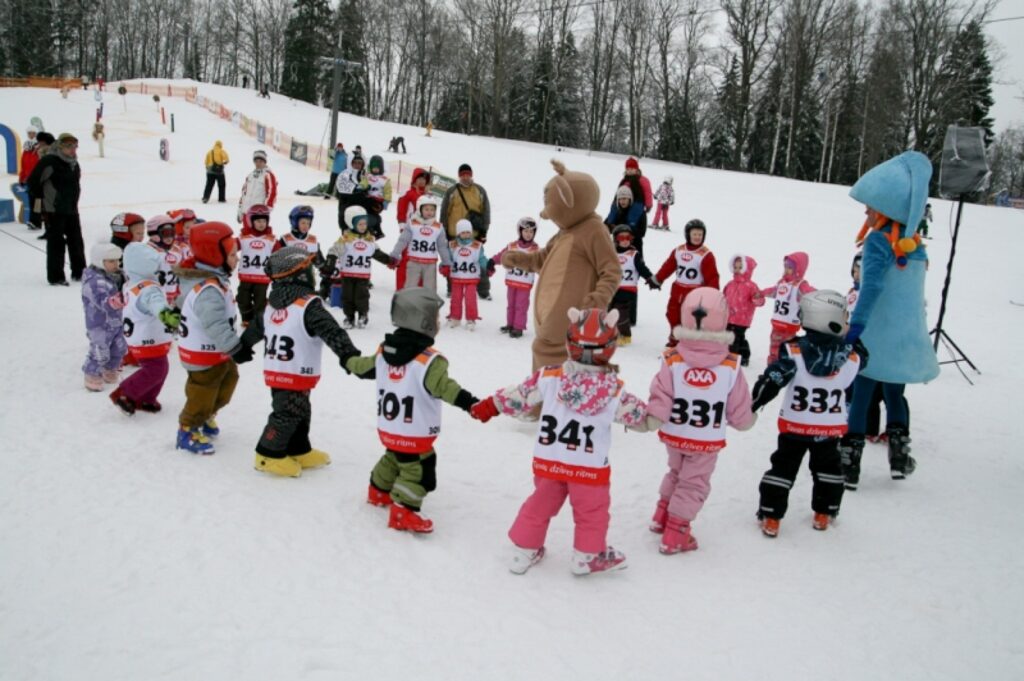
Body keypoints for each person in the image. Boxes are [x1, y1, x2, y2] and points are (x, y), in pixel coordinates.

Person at [469, 307, 657, 575]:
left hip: (550, 461)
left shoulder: (550, 376)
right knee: (592, 512)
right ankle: (587, 556)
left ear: (570, 343)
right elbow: (639, 417)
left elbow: (520, 395)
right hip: (589, 467)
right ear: (611, 347)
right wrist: (657, 418)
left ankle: (524, 550)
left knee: (540, 504)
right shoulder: (614, 390)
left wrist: (492, 405)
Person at [344, 288, 485, 533]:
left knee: (394, 456)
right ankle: (404, 510)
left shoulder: (383, 352)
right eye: (436, 318)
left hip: (389, 429)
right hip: (415, 433)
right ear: (423, 321)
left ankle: (378, 491)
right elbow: (445, 388)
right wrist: (471, 403)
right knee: (420, 469)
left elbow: (363, 368)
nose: (438, 322)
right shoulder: (429, 360)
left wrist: (347, 360)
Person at [839, 151, 939, 488]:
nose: (866, 212)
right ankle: (899, 456)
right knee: (896, 394)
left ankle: (849, 461)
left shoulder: (878, 242)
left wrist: (856, 328)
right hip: (904, 338)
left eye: (870, 206)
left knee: (863, 392)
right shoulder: (915, 247)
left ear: (885, 207)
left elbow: (871, 289)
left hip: (875, 336)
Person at [646, 288, 756, 552]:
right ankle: (676, 532)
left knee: (676, 472)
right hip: (705, 439)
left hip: (675, 434)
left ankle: (662, 514)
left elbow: (660, 392)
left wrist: (655, 416)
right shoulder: (730, 365)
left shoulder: (673, 358)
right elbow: (739, 404)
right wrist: (745, 420)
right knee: (693, 482)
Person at [750, 290, 866, 537]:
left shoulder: (793, 352)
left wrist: (753, 402)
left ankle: (772, 514)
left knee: (783, 467)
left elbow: (773, 379)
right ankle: (825, 512)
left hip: (796, 426)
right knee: (828, 470)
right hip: (828, 430)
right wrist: (853, 338)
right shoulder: (851, 357)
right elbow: (863, 356)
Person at [241, 247, 362, 477]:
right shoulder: (308, 305)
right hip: (293, 369)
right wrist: (347, 354)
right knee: (287, 414)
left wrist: (243, 346)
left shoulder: (272, 304)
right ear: (300, 275)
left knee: (300, 410)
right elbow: (331, 331)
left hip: (280, 369)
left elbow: (256, 328)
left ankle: (298, 448)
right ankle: (267, 454)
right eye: (309, 270)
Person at [500, 159, 621, 371]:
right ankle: (541, 402)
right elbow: (542, 260)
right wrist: (519, 259)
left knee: (561, 379)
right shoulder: (566, 231)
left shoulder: (594, 230)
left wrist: (597, 301)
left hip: (573, 328)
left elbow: (611, 271)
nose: (546, 215)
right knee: (542, 377)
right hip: (548, 332)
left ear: (569, 203)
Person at [173, 222, 254, 454]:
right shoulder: (208, 289)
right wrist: (234, 347)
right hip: (202, 353)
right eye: (231, 254)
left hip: (215, 351)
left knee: (229, 379)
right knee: (203, 392)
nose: (236, 259)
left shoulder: (213, 280)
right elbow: (213, 323)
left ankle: (206, 414)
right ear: (214, 256)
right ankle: (187, 429)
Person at [109, 242, 179, 414]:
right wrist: (172, 319)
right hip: (148, 337)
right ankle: (125, 393)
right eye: (155, 267)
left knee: (160, 369)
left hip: (137, 336)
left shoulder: (131, 284)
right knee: (156, 370)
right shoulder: (149, 290)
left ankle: (146, 398)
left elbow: (124, 300)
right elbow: (158, 307)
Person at [27, 132, 85, 285]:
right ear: (59, 147)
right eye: (69, 147)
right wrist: (43, 203)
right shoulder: (49, 161)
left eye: (75, 146)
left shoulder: (73, 163)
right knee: (56, 243)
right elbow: (33, 182)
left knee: (76, 242)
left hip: (71, 208)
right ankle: (56, 276)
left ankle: (80, 273)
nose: (73, 150)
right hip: (53, 210)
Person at [652, 219, 720, 346]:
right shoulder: (679, 250)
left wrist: (712, 295)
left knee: (690, 319)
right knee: (672, 314)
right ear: (688, 234)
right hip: (677, 290)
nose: (697, 237)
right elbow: (669, 266)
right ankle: (674, 341)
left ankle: (688, 345)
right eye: (694, 234)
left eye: (700, 235)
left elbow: (712, 277)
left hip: (695, 292)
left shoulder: (706, 255)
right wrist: (658, 279)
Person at [321, 206, 392, 328]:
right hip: (347, 274)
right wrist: (330, 262)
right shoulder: (346, 240)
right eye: (360, 224)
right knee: (347, 297)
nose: (363, 226)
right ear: (351, 224)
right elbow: (334, 250)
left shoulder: (369, 240)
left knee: (362, 296)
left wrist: (389, 261)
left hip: (363, 275)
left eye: (365, 224)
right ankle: (349, 317)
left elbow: (377, 253)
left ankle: (363, 315)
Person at [80, 243, 127, 392]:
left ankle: (110, 369)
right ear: (100, 261)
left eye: (117, 260)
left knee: (119, 347)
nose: (116, 264)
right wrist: (115, 301)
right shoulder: (94, 282)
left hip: (117, 321)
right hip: (99, 323)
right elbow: (101, 300)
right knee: (100, 350)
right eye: (111, 261)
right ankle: (92, 374)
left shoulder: (119, 275)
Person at [441, 163, 492, 299]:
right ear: (459, 176)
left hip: (473, 235)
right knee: (453, 262)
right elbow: (444, 211)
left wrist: (484, 232)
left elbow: (486, 211)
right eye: (462, 175)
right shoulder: (452, 191)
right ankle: (451, 289)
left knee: (479, 262)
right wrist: (444, 230)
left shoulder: (479, 190)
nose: (465, 177)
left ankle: (483, 291)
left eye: (467, 175)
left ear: (471, 175)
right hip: (453, 234)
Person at [488, 217, 540, 339]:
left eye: (531, 232)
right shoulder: (512, 246)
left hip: (525, 283)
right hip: (512, 281)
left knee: (521, 305)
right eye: (526, 231)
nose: (528, 234)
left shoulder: (535, 249)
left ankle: (518, 327)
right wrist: (492, 261)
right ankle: (510, 324)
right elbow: (502, 255)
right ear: (520, 231)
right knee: (511, 304)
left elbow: (540, 263)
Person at [389, 194, 452, 291]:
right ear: (420, 209)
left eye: (432, 209)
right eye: (426, 209)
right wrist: (394, 255)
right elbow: (403, 241)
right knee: (410, 286)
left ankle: (428, 305)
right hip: (414, 262)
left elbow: (442, 247)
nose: (429, 212)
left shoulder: (438, 227)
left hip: (430, 264)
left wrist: (446, 262)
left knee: (429, 288)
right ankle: (408, 303)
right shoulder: (412, 224)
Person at [761, 252, 815, 365]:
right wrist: (761, 293)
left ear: (799, 269)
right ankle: (771, 369)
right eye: (785, 266)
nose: (786, 269)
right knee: (773, 348)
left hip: (789, 328)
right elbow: (773, 291)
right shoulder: (781, 283)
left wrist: (818, 295)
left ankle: (785, 369)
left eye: (790, 267)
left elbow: (809, 293)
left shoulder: (800, 285)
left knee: (786, 350)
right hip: (776, 325)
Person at [608, 225, 659, 345]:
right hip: (612, 289)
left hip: (628, 289)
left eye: (628, 237)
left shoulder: (634, 254)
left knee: (621, 313)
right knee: (610, 312)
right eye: (622, 238)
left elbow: (642, 269)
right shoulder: (610, 253)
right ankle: (611, 334)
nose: (625, 241)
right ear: (616, 239)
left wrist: (651, 279)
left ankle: (625, 336)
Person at [442, 219, 490, 330]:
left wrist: (487, 267)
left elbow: (482, 258)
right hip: (457, 276)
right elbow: (448, 258)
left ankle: (471, 319)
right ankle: (455, 317)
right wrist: (444, 266)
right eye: (463, 232)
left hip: (471, 277)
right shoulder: (453, 245)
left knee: (470, 299)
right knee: (456, 298)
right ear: (458, 233)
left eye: (468, 232)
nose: (466, 234)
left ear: (471, 232)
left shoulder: (476, 245)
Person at [723, 254, 765, 366]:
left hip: (742, 319)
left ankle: (731, 359)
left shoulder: (751, 286)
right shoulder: (730, 284)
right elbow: (723, 297)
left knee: (733, 338)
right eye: (735, 267)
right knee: (738, 337)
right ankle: (744, 354)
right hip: (728, 317)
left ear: (747, 269)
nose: (737, 270)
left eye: (740, 267)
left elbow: (759, 301)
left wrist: (757, 299)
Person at [237, 204, 275, 327]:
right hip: (245, 277)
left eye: (264, 220)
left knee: (260, 301)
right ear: (250, 221)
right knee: (242, 299)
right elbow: (231, 247)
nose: (261, 223)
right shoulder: (243, 238)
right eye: (258, 220)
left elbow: (280, 253)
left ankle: (259, 320)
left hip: (262, 278)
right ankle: (247, 318)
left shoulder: (271, 240)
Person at [394, 167, 430, 290]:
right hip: (409, 231)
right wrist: (402, 225)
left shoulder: (427, 196)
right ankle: (401, 286)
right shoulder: (408, 193)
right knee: (405, 259)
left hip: (423, 234)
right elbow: (401, 210)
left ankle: (418, 286)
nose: (422, 181)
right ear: (414, 180)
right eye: (419, 179)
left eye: (424, 179)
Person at [604, 185, 647, 257]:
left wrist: (623, 229)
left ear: (630, 199)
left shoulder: (640, 212)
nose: (622, 201)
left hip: (634, 248)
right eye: (620, 199)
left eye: (624, 198)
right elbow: (605, 227)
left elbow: (642, 232)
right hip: (617, 249)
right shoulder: (616, 212)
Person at [24, 131, 54, 235]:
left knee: (46, 206)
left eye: (40, 142)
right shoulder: (38, 151)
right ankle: (37, 222)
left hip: (47, 184)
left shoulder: (50, 153)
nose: (39, 144)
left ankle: (47, 228)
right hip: (37, 182)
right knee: (37, 204)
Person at [237, 150, 278, 222]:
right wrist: (240, 210)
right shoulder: (250, 175)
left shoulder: (268, 175)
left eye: (260, 161)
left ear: (265, 162)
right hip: (246, 213)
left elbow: (272, 192)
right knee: (246, 233)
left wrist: (266, 210)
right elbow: (244, 193)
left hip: (258, 214)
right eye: (256, 161)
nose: (258, 163)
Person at [363, 154, 391, 238]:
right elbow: (363, 184)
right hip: (368, 198)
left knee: (372, 213)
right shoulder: (368, 176)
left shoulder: (384, 179)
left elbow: (388, 191)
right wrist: (360, 188)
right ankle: (377, 230)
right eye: (373, 168)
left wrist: (386, 201)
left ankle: (373, 230)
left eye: (377, 168)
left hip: (378, 200)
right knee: (369, 214)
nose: (375, 170)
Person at [335, 153, 366, 230]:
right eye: (355, 162)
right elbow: (341, 189)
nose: (357, 165)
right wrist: (356, 189)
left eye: (359, 163)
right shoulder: (344, 174)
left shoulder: (365, 176)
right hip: (346, 210)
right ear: (351, 163)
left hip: (361, 215)